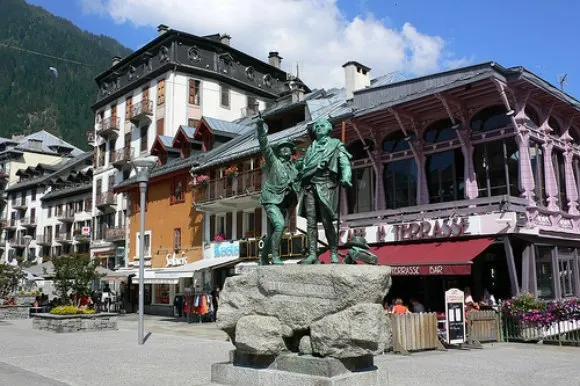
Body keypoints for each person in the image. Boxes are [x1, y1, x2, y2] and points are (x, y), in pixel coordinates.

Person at [297, 118, 352, 264]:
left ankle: (333, 252)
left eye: (322, 126)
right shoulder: (310, 148)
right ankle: (312, 254)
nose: (319, 128)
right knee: (311, 222)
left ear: (328, 129)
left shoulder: (335, 144)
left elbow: (344, 162)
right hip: (310, 187)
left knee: (327, 222)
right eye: (317, 126)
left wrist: (346, 177)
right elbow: (304, 167)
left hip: (326, 185)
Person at [255, 117, 298, 265]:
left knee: (274, 231)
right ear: (278, 151)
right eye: (282, 147)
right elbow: (264, 145)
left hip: (283, 202)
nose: (285, 148)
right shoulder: (273, 162)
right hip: (271, 199)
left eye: (288, 147)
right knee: (280, 225)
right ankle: (275, 256)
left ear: (292, 151)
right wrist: (260, 128)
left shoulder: (293, 168)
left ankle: (263, 258)